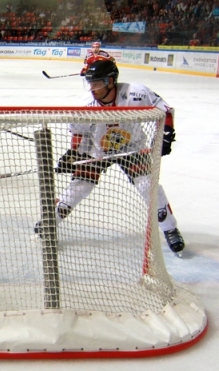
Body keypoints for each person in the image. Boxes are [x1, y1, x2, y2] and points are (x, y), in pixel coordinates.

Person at [39, 58, 185, 256]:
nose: (92, 88)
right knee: (80, 186)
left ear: (110, 81)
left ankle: (170, 228)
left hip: (132, 148)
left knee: (147, 186)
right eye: (90, 83)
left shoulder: (136, 93)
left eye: (97, 83)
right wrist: (74, 154)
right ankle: (51, 221)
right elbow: (79, 134)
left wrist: (166, 137)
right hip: (98, 150)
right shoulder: (86, 104)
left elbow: (165, 111)